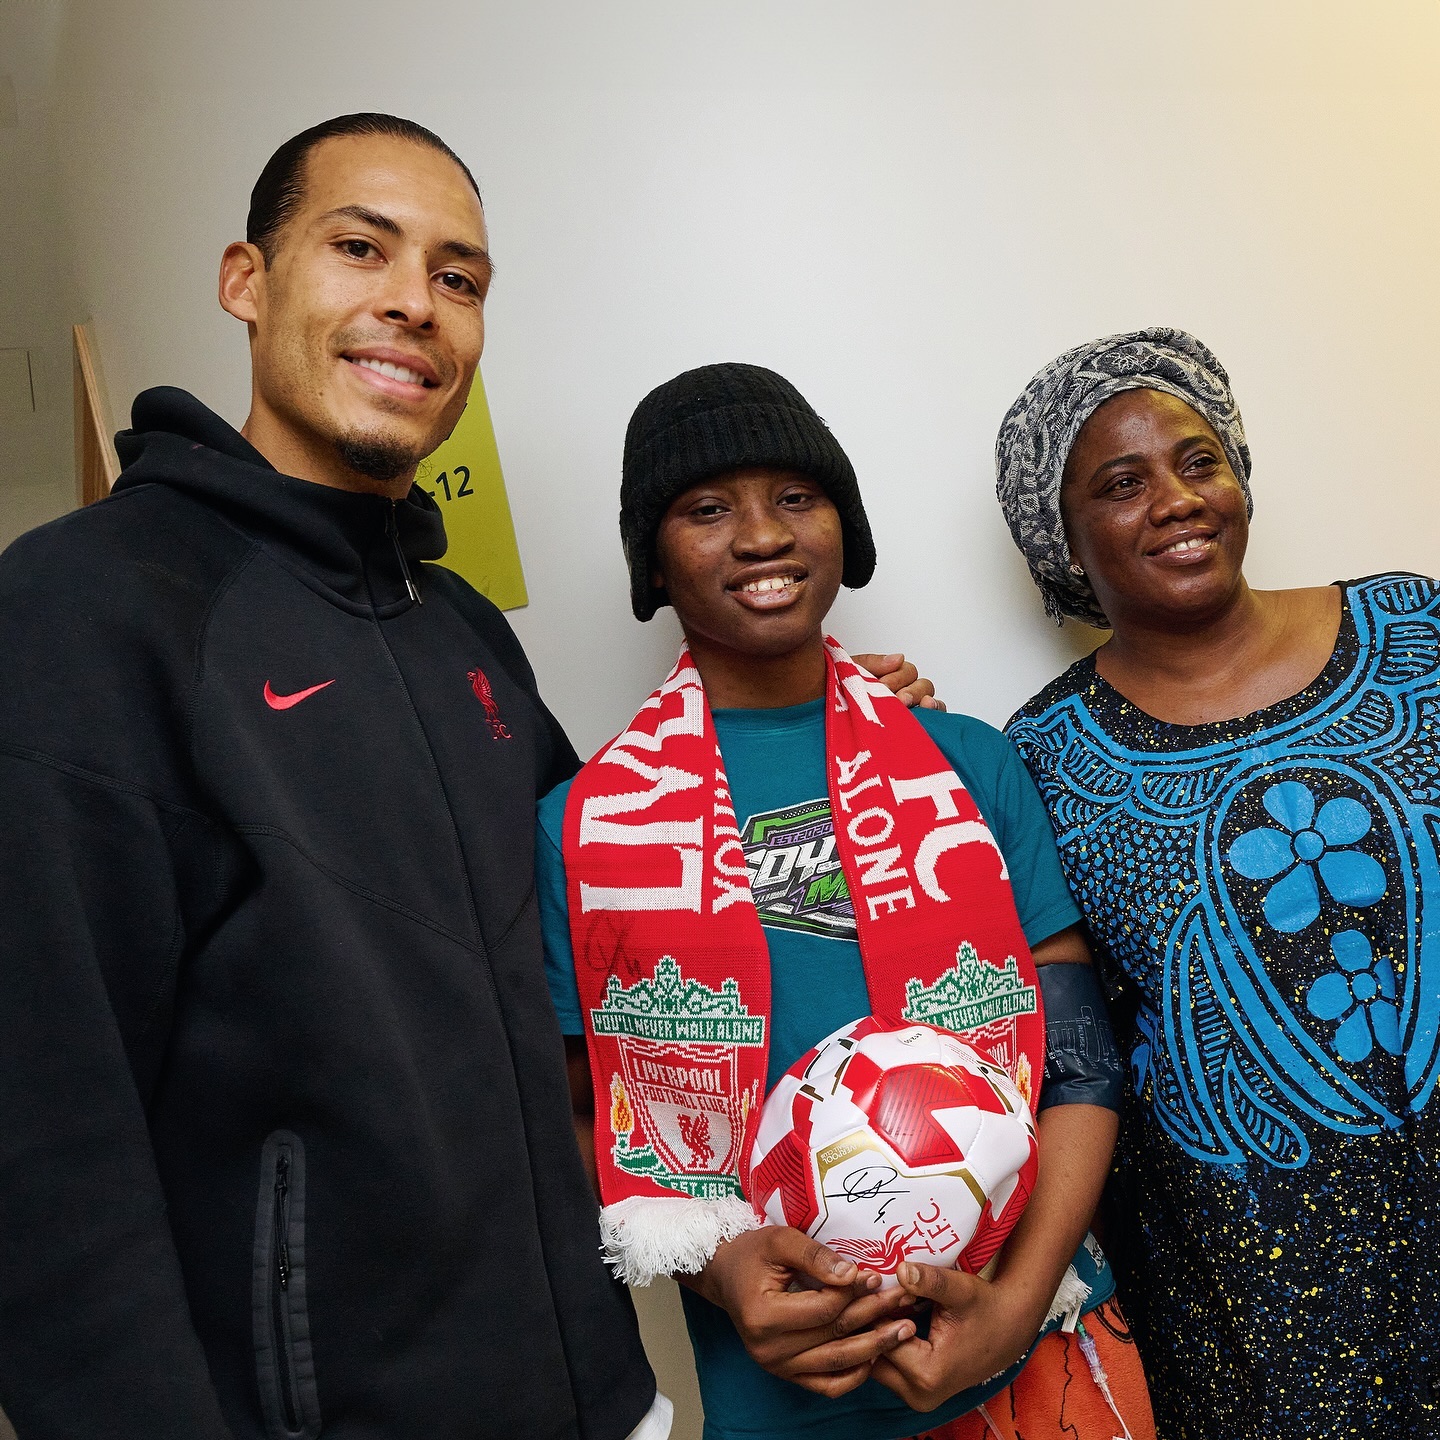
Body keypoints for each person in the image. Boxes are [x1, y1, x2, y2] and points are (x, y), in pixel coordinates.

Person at [0, 113, 932, 1440]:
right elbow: (45, 1143)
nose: (412, 303)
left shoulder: (461, 633)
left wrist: (840, 728)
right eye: (360, 247)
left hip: (608, 1400)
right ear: (246, 281)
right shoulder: (80, 610)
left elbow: (614, 916)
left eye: (458, 277)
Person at [536, 363, 1156, 1440]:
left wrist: (1010, 1310)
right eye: (705, 508)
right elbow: (588, 1116)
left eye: (796, 496)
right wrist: (723, 1272)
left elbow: (1081, 1061)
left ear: (843, 527)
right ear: (654, 557)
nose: (761, 534)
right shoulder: (583, 829)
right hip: (787, 1397)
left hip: (1045, 1357)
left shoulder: (965, 766)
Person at [996, 326, 1440, 1438]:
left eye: (1200, 461)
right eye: (1121, 483)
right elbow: (1069, 1054)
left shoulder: (1415, 631)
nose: (1179, 500)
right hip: (1257, 1319)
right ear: (1062, 537)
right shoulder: (1040, 759)